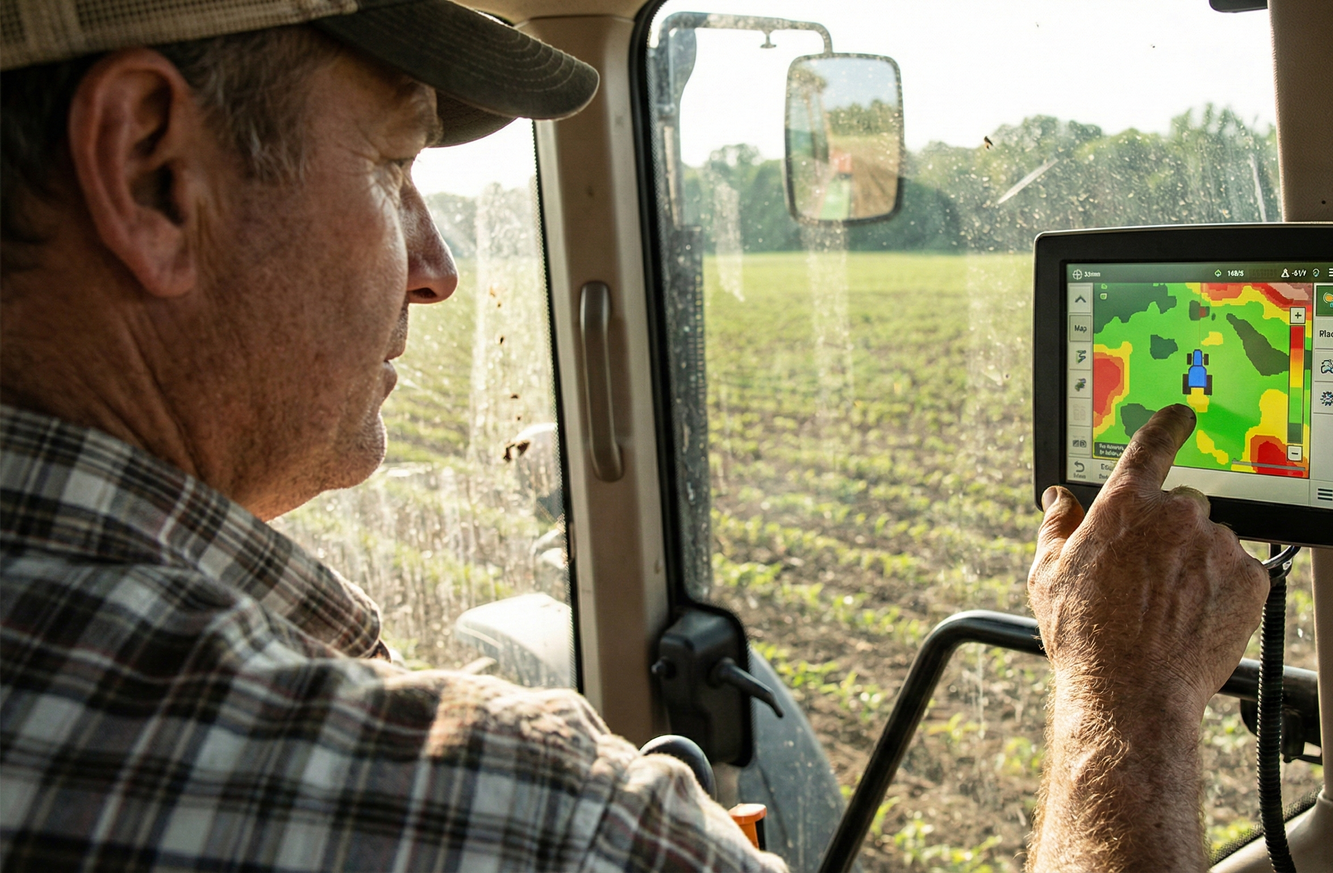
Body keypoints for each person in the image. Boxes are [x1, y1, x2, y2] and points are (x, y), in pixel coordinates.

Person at [0, 1, 1269, 870]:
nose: (434, 270)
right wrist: (1132, 699)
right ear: (153, 171)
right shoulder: (503, 816)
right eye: (392, 170)